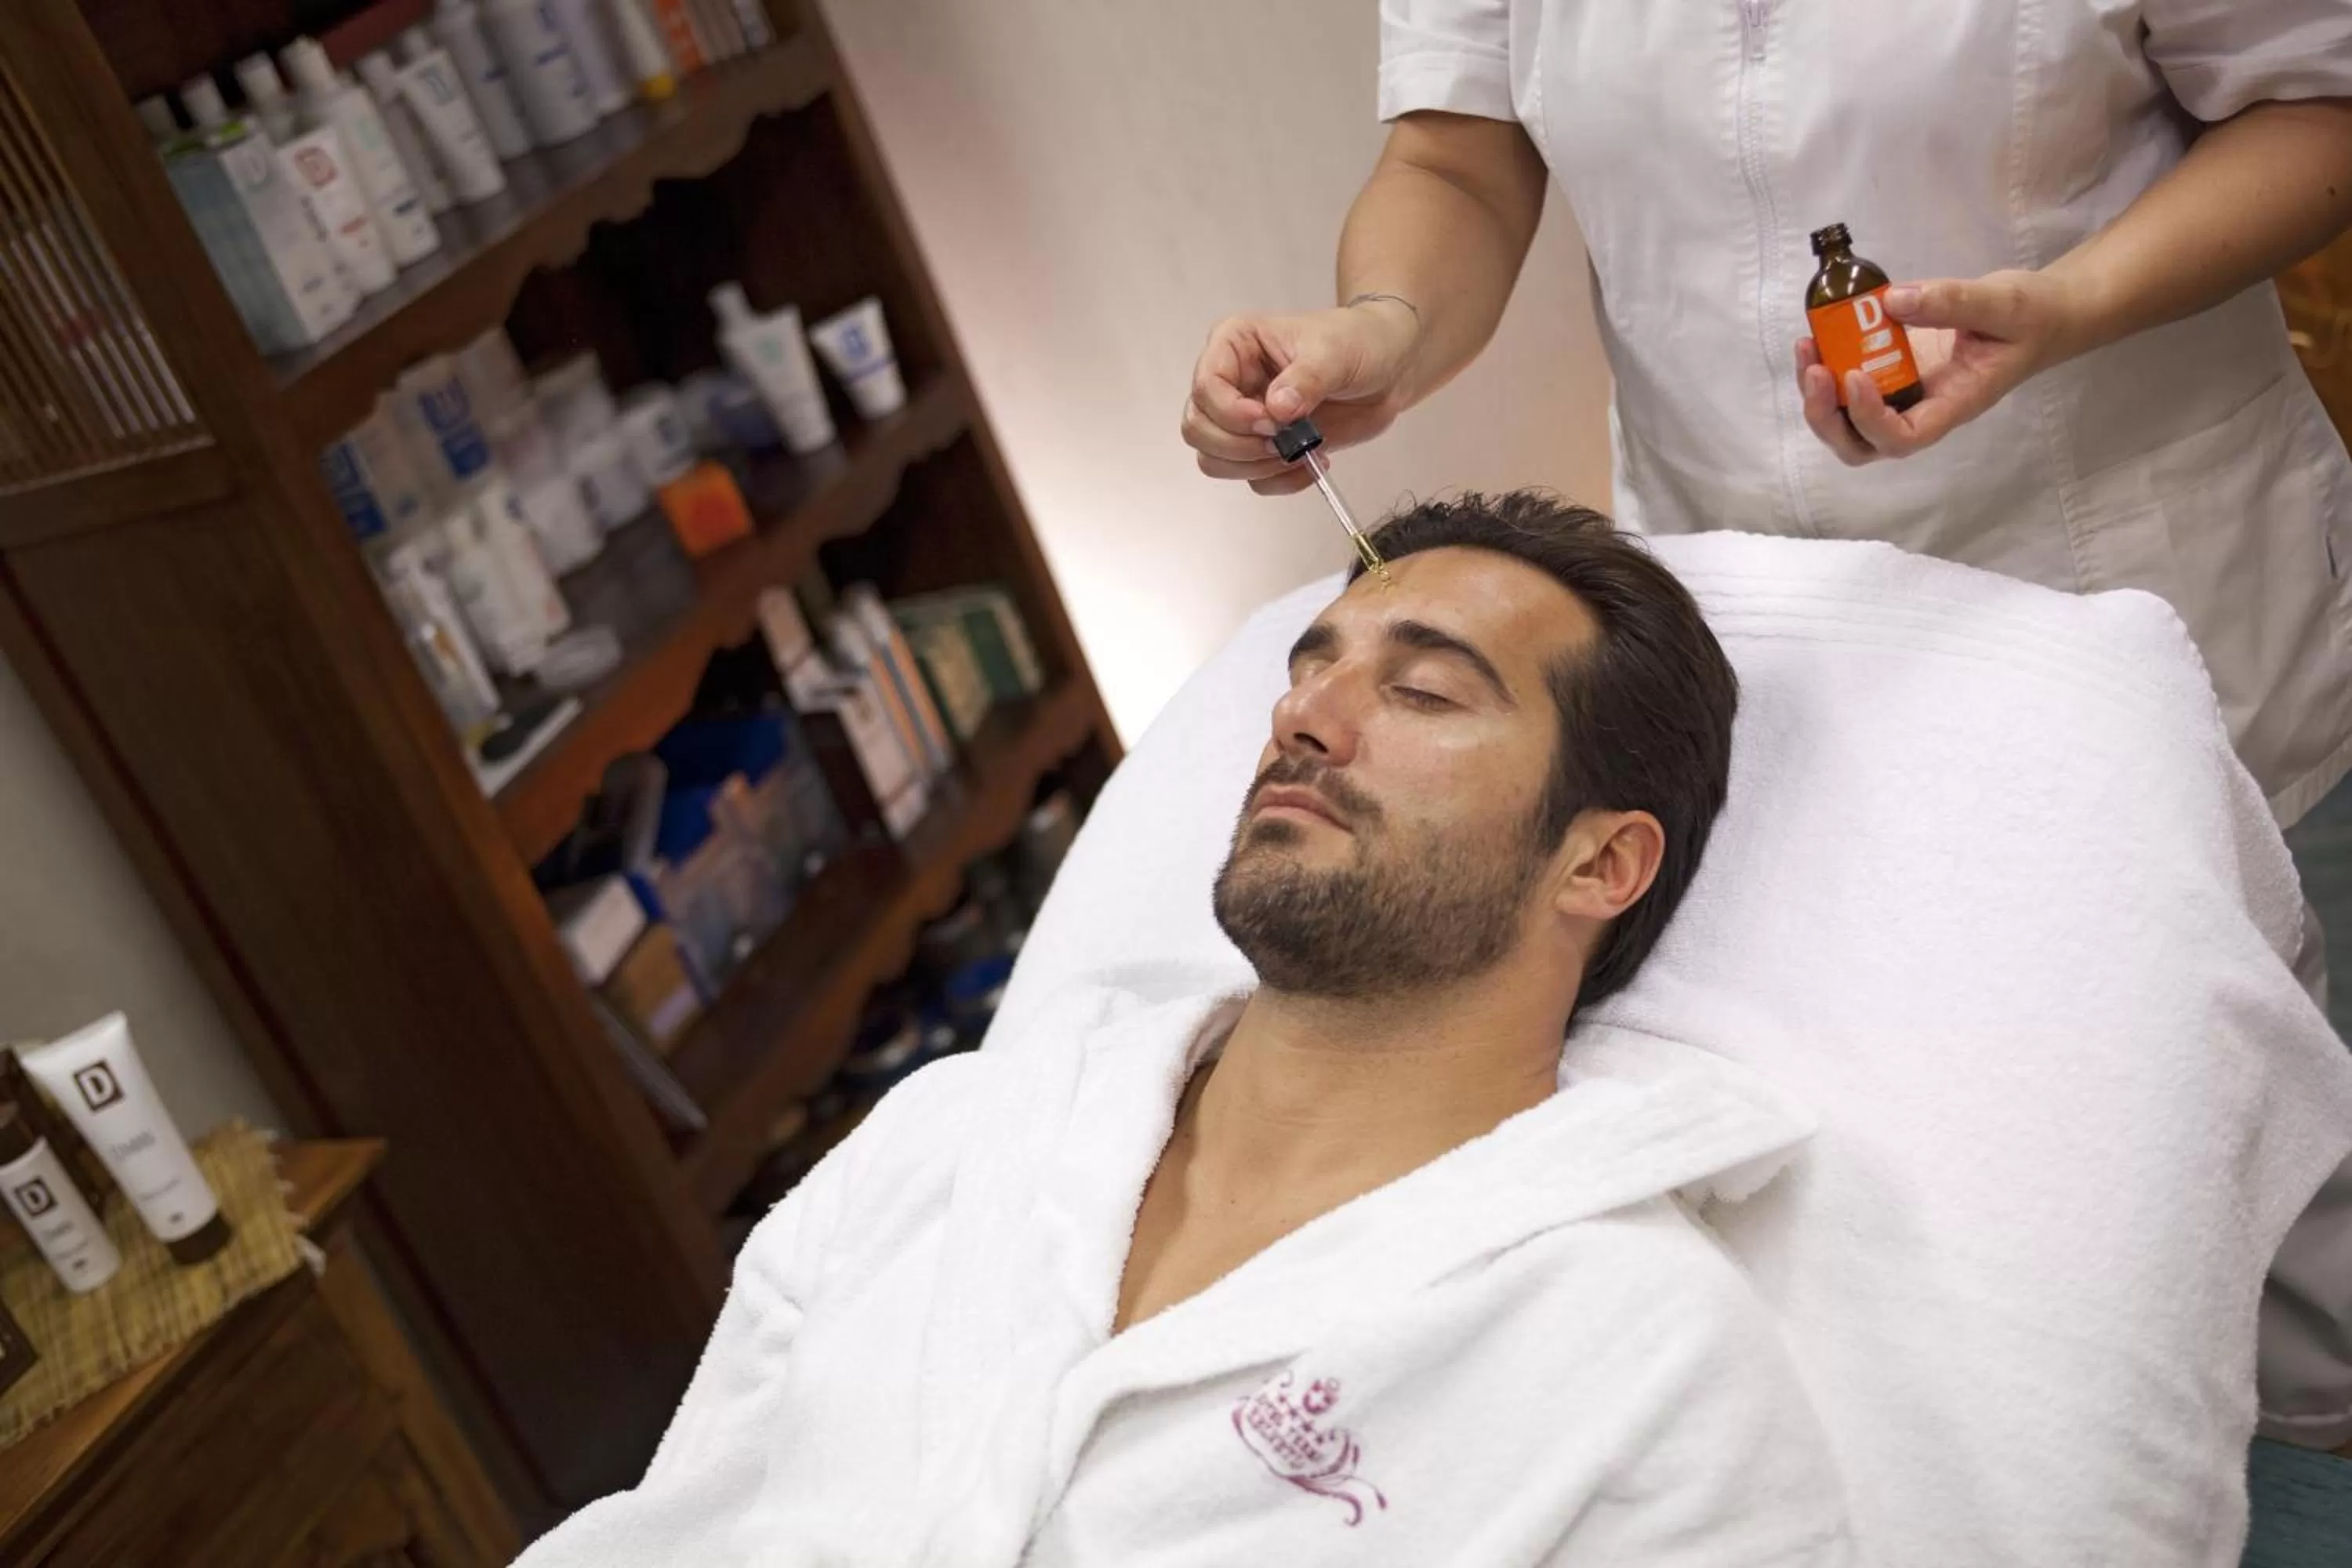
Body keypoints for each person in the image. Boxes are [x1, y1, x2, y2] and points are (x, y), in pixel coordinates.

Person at [1180, 2, 2352, 1448]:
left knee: (2284, 1183)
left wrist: (2068, 303)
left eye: (1424, 686)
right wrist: (1380, 330)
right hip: (1772, 603)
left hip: (2137, 554)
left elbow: (2319, 108)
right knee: (1977, 1185)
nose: (1315, 723)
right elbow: (1459, 161)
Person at [514, 495, 1852, 1566]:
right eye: (1309, 671)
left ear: (1600, 864)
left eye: (1426, 695)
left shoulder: (1651, 1365)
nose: (1303, 721)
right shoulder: (961, 1132)